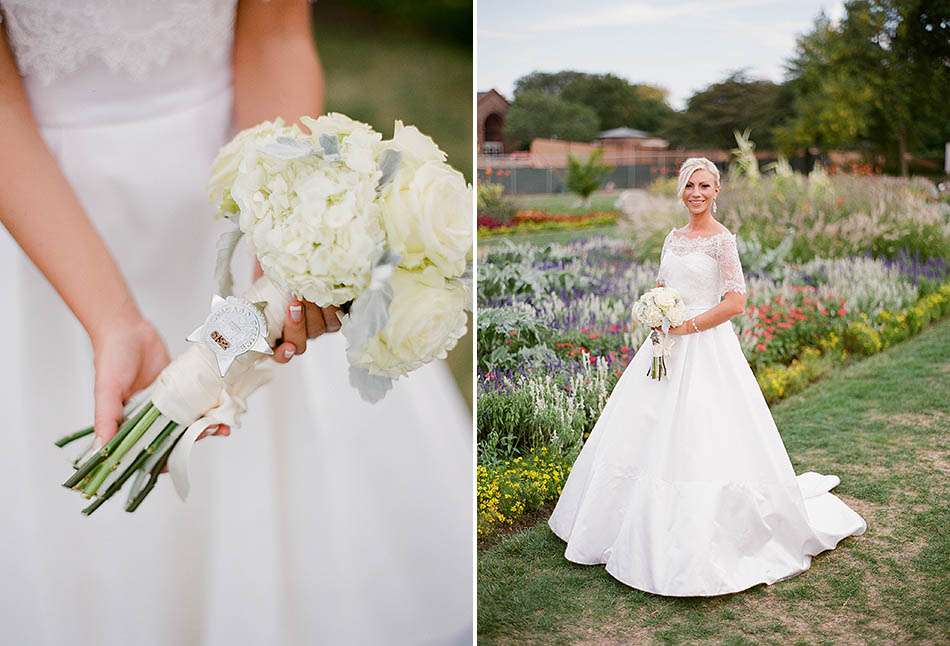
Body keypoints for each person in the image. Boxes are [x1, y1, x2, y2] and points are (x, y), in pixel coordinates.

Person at [0, 1, 472, 644]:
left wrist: (283, 241)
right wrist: (112, 318)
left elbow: (275, 34)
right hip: (44, 210)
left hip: (233, 178)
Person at [548, 157, 866, 597]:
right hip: (664, 346)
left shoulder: (722, 241)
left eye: (704, 186)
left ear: (717, 191)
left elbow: (736, 302)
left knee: (701, 432)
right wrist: (657, 312)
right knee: (644, 427)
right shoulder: (672, 238)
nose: (696, 193)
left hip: (705, 347)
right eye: (689, 186)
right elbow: (663, 286)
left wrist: (688, 325)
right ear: (682, 192)